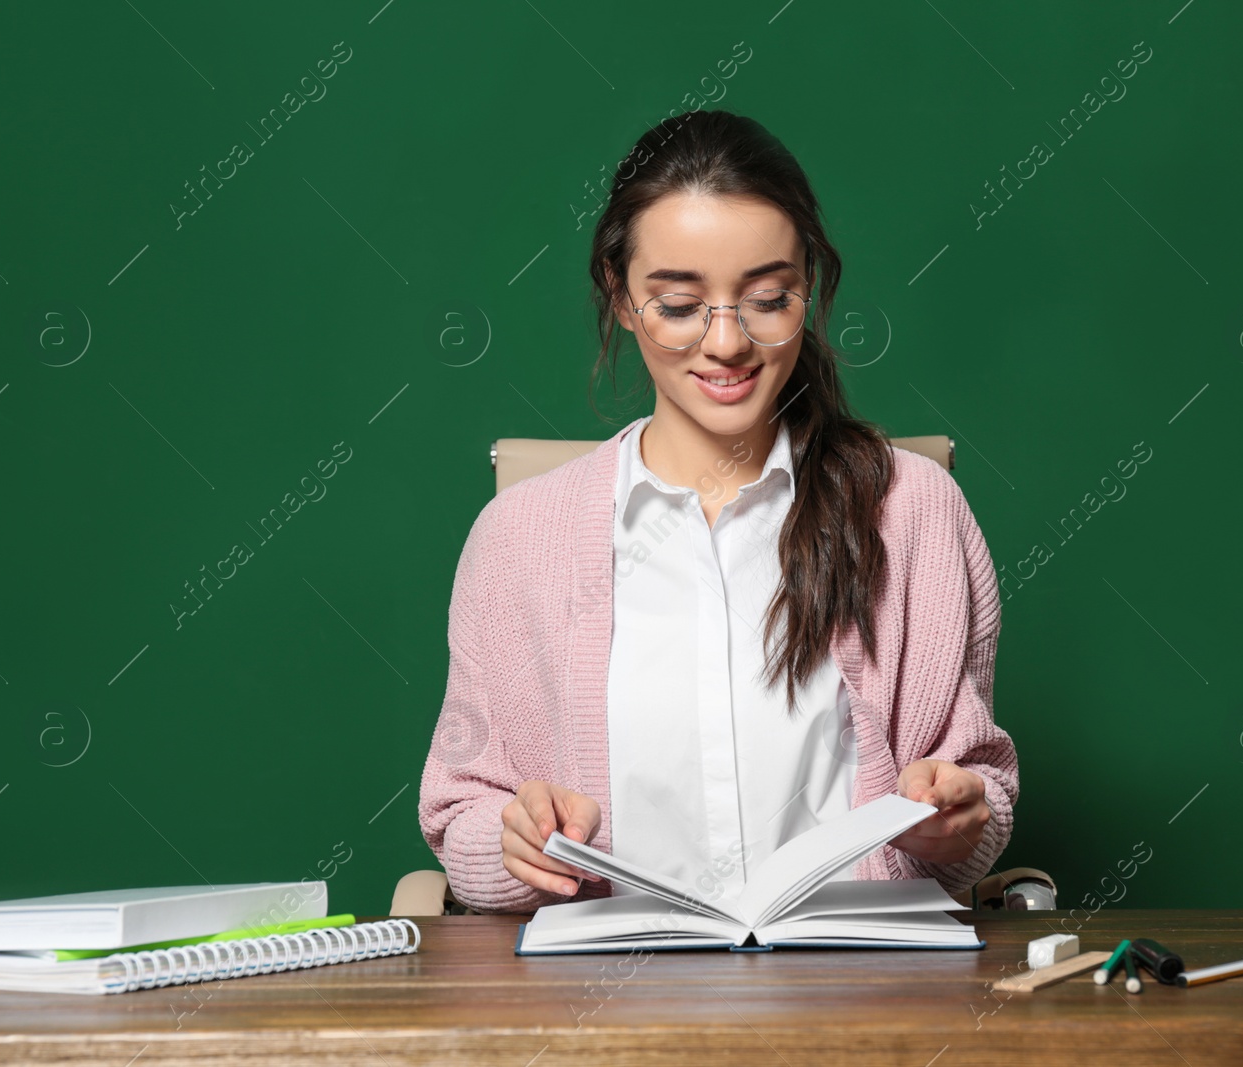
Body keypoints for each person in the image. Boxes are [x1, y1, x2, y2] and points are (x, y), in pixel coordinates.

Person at [418, 109, 1017, 915]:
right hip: (603, 1008)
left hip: (860, 1000)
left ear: (809, 285)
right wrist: (512, 837)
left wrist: (955, 822)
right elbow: (461, 814)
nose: (728, 342)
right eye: (678, 305)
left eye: (768, 298)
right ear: (621, 296)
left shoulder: (911, 510)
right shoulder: (516, 539)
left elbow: (978, 796)